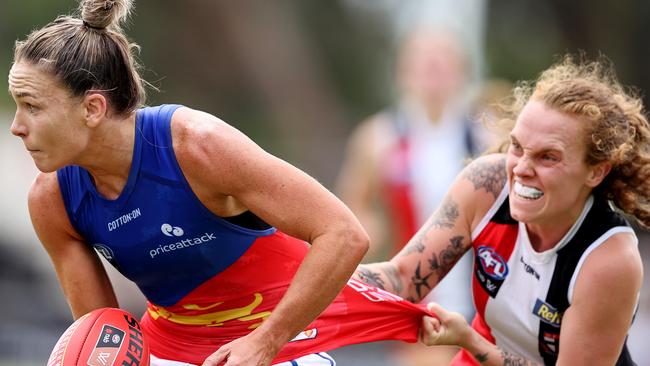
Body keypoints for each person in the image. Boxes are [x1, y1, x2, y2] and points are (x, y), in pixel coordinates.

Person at [7, 1, 439, 365]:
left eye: (32, 106)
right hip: (175, 346)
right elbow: (105, 332)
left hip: (277, 338)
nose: (17, 127)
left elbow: (343, 234)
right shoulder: (52, 200)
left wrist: (266, 342)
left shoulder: (198, 146)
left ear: (94, 108)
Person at [355, 55, 647, 365]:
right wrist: (312, 271)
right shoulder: (488, 185)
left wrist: (469, 340)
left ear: (596, 172)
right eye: (517, 147)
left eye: (548, 157)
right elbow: (402, 279)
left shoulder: (610, 260)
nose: (521, 169)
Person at [336, 27, 481, 364]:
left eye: (442, 64)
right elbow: (350, 216)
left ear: (462, 73)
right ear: (403, 73)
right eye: (424, 64)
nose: (433, 72)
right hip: (414, 307)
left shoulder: (487, 133)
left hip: (481, 305)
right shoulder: (377, 138)